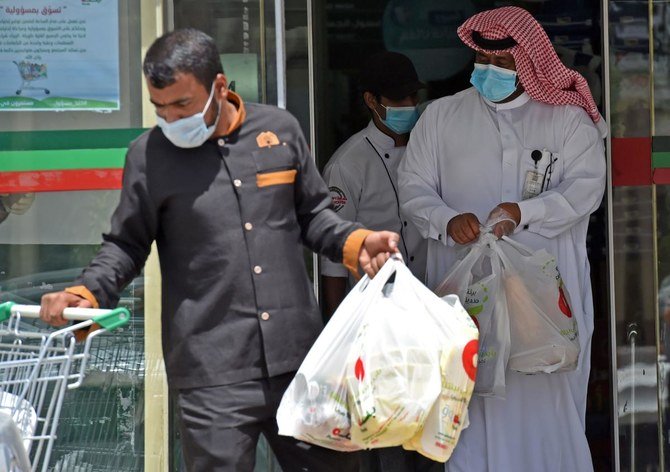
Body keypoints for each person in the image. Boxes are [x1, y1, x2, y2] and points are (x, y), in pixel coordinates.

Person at [39, 28, 399, 472]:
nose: (170, 119)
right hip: (212, 375)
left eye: (182, 105)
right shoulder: (149, 157)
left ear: (220, 87)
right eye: (160, 108)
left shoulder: (280, 131)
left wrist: (357, 242)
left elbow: (313, 216)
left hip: (299, 362)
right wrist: (89, 294)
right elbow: (126, 244)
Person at [398, 7, 606, 472]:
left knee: (543, 401)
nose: (489, 72)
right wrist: (446, 219)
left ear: (531, 64)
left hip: (542, 308)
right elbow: (413, 186)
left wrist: (524, 212)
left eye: (504, 64)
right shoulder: (442, 116)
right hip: (466, 302)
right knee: (472, 407)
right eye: (483, 61)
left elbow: (587, 188)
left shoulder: (567, 120)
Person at [320, 51, 427, 322]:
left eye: (413, 96)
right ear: (371, 100)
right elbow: (334, 254)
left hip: (429, 297)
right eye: (398, 98)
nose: (409, 104)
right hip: (374, 307)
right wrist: (333, 325)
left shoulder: (427, 147)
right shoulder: (347, 164)